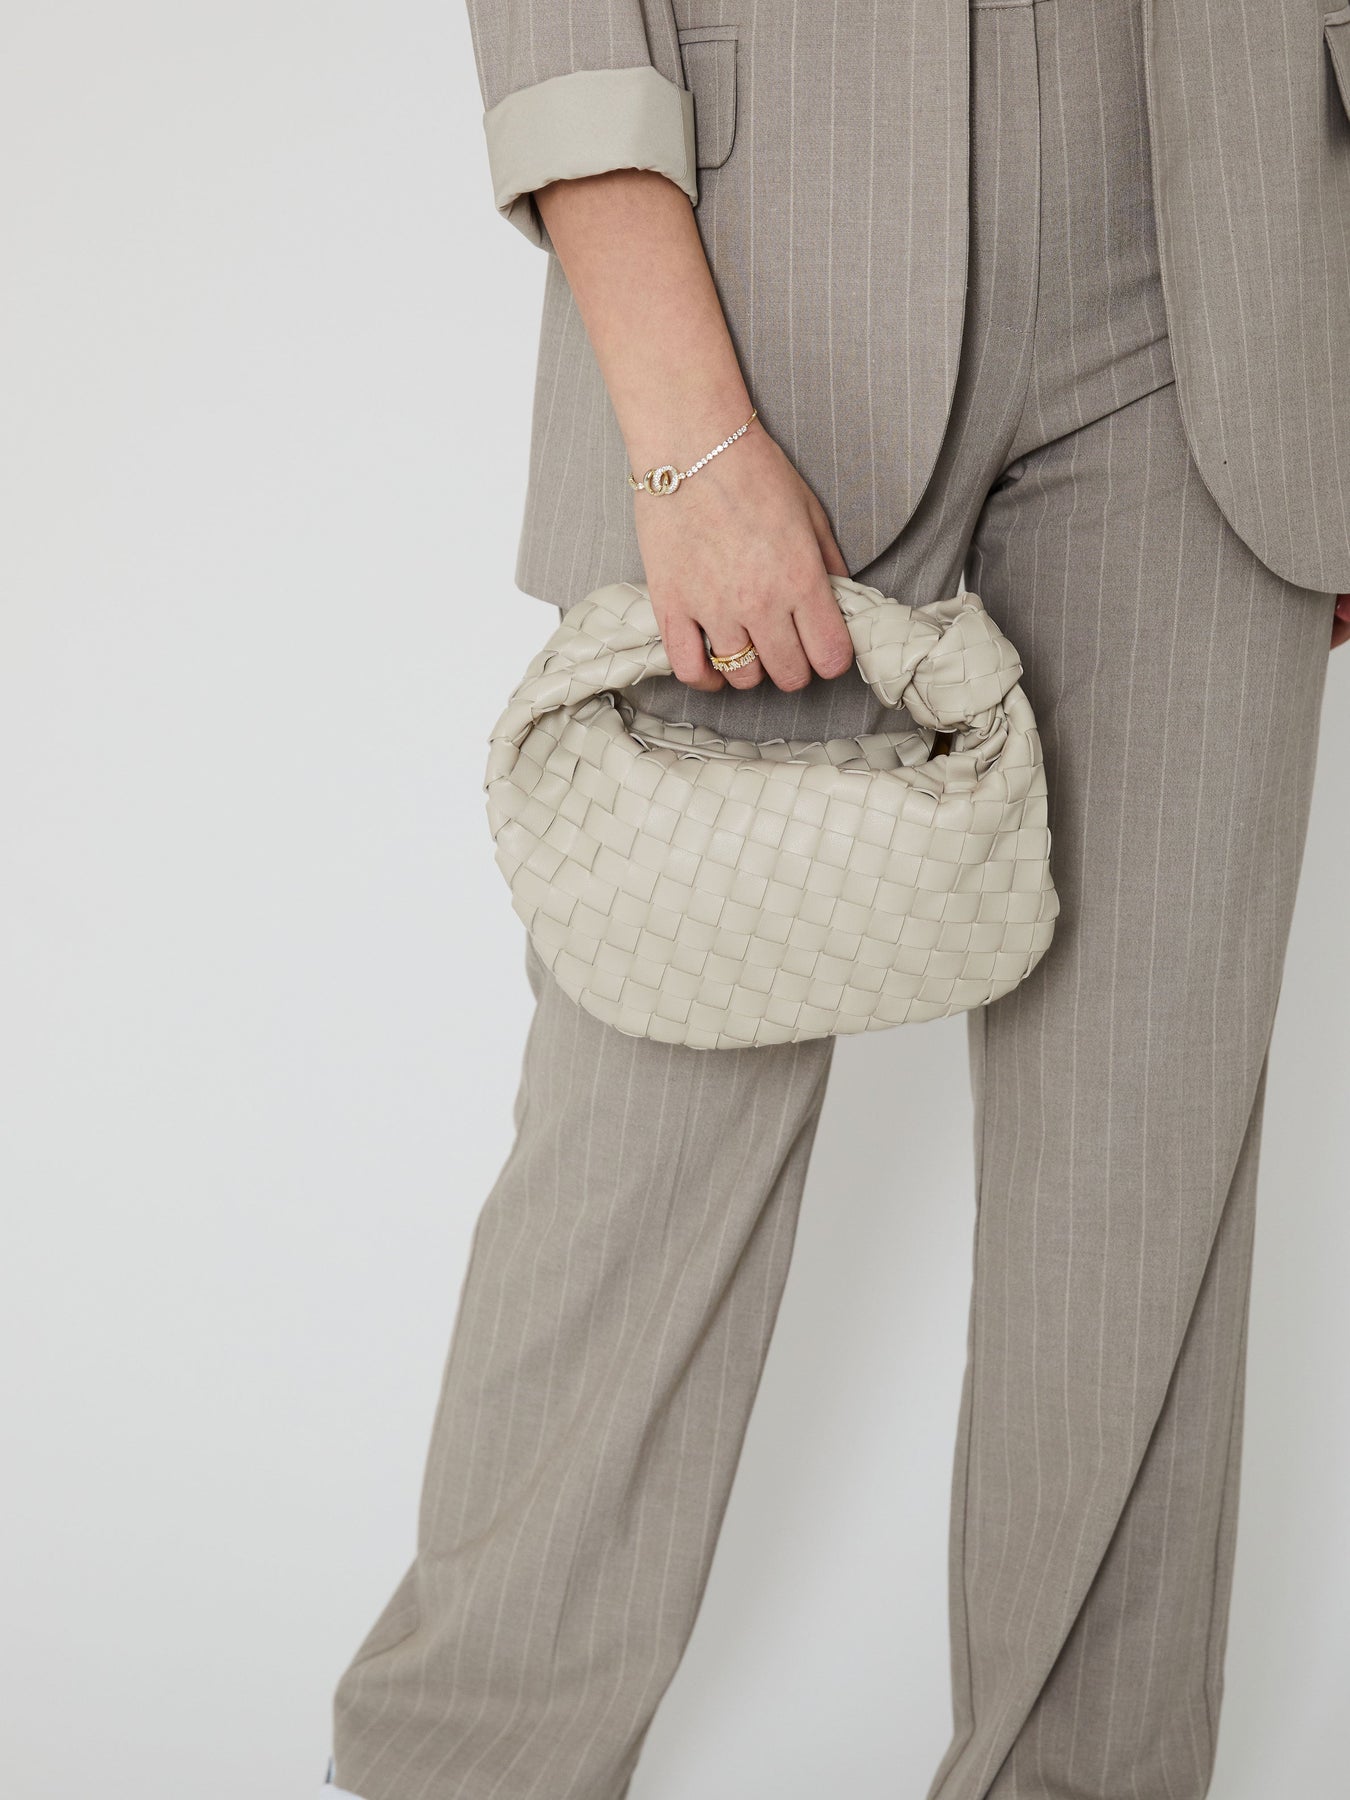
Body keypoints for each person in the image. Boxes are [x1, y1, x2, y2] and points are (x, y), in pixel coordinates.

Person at [322, 3, 1350, 1796]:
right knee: (639, 1153)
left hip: (1235, 277)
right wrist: (684, 433)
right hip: (771, 260)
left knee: (1138, 1200)